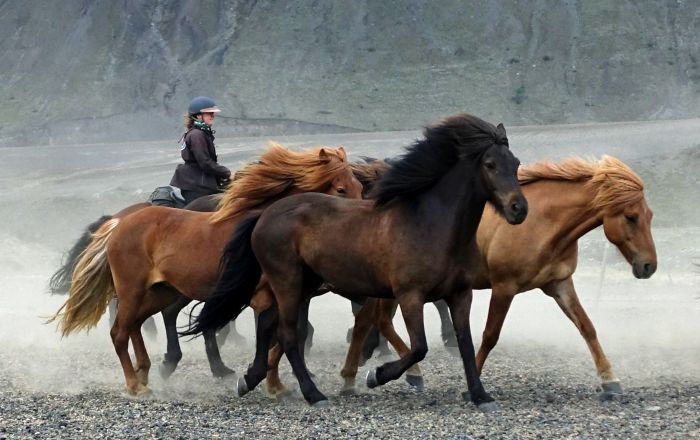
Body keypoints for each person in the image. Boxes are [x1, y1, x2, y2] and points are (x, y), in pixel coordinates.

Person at [170, 96, 232, 204]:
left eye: (213, 113)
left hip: (198, 182)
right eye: (209, 113)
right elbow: (205, 163)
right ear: (198, 116)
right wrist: (227, 173)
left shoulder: (199, 133)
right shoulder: (197, 135)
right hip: (196, 187)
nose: (212, 116)